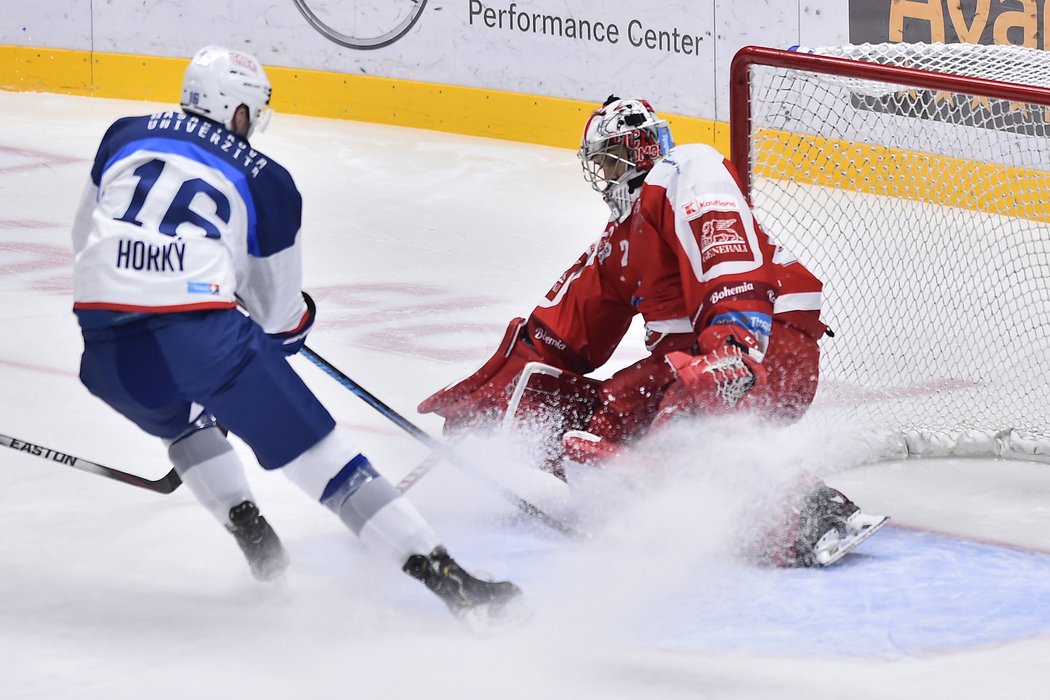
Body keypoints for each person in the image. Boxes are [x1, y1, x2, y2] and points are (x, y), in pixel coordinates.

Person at [70, 45, 524, 625]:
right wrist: (276, 328)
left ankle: (242, 518)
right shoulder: (266, 179)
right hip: (201, 337)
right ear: (237, 110)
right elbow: (278, 314)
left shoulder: (123, 133)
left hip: (105, 345)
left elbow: (87, 237)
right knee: (323, 458)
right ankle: (447, 579)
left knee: (184, 425)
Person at [418, 95, 887, 567]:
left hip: (765, 349)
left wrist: (734, 342)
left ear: (636, 150)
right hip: (693, 366)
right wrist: (492, 400)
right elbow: (561, 332)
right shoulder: (618, 241)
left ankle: (814, 511)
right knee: (603, 416)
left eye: (607, 158)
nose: (602, 173)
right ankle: (650, 500)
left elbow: (727, 254)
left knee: (682, 429)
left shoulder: (684, 170)